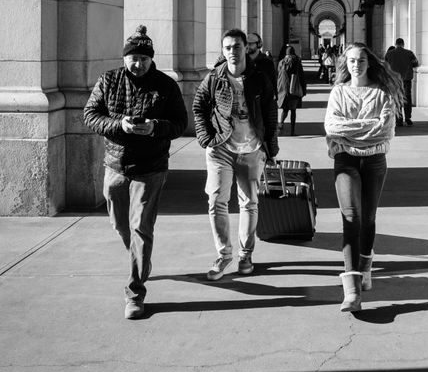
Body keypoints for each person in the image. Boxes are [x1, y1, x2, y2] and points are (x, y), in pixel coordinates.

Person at [83, 25, 188, 319]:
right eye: (133, 57)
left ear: (151, 59)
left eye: (143, 58)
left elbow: (179, 123)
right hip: (115, 164)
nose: (137, 63)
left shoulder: (166, 85)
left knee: (141, 227)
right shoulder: (109, 80)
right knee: (120, 224)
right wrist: (120, 124)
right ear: (125, 57)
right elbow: (90, 114)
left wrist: (154, 127)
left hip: (151, 167)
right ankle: (141, 259)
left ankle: (135, 293)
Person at [324, 42, 404, 312]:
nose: (355, 65)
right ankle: (352, 291)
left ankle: (366, 270)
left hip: (375, 161)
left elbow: (385, 131)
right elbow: (332, 126)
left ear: (369, 62)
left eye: (360, 60)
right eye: (350, 61)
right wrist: (368, 126)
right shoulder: (338, 92)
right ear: (344, 64)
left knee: (368, 217)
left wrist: (351, 130)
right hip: (345, 159)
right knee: (351, 218)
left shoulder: (382, 93)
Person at [193, 28, 279, 280]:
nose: (232, 51)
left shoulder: (259, 77)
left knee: (249, 202)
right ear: (223, 50)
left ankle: (245, 253)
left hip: (252, 149)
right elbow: (199, 106)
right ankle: (223, 253)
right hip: (221, 148)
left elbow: (270, 112)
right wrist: (205, 137)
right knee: (216, 200)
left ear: (246, 49)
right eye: (228, 47)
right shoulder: (214, 78)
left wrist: (270, 146)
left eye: (237, 47)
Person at [385, 38, 419, 126]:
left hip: (394, 80)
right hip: (406, 78)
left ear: (395, 44)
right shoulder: (409, 53)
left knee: (396, 98)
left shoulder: (389, 54)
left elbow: (385, 66)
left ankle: (399, 119)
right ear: (403, 44)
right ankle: (408, 117)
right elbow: (415, 64)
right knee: (407, 98)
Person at [277, 44, 307, 136]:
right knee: (293, 111)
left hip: (284, 89)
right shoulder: (296, 62)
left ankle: (281, 123)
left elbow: (278, 75)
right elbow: (301, 76)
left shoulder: (281, 62)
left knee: (285, 109)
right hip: (293, 89)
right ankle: (292, 130)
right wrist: (303, 88)